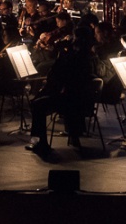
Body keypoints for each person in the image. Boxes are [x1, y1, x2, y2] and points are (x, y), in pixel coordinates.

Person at [27, 25, 98, 157]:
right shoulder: (91, 56)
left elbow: (57, 75)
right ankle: (73, 136)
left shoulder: (71, 57)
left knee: (37, 104)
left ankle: (40, 142)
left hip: (70, 100)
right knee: (41, 100)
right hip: (85, 101)